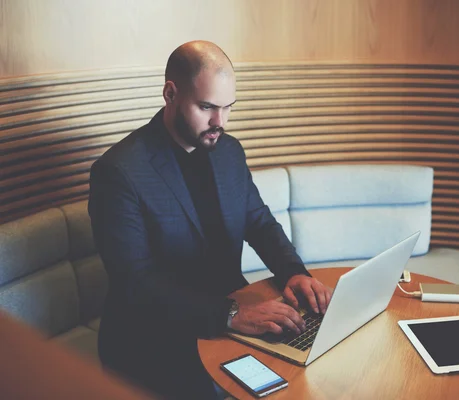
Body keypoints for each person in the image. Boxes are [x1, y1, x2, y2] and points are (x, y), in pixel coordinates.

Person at [88, 40, 332, 399]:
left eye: (228, 108)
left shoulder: (228, 151)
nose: (220, 122)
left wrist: (292, 271)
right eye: (207, 107)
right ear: (170, 93)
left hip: (233, 315)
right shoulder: (119, 171)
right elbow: (137, 284)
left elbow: (259, 222)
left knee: (315, 368)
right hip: (155, 339)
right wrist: (231, 315)